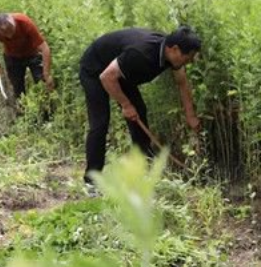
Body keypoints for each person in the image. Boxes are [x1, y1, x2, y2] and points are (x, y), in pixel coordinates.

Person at [78, 26, 201, 184]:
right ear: (175, 49)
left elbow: (182, 83)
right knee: (100, 122)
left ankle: (142, 170)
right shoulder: (141, 53)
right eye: (189, 57)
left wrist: (191, 116)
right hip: (95, 70)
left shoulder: (170, 54)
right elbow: (106, 77)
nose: (190, 61)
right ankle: (91, 181)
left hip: (120, 73)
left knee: (139, 113)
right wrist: (126, 105)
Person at [0, 12, 54, 97]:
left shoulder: (24, 22)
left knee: (42, 83)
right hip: (12, 57)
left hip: (33, 54)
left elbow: (45, 48)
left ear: (13, 24)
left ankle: (47, 103)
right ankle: (23, 104)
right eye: (4, 33)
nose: (9, 35)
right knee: (17, 87)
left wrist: (46, 74)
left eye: (10, 30)